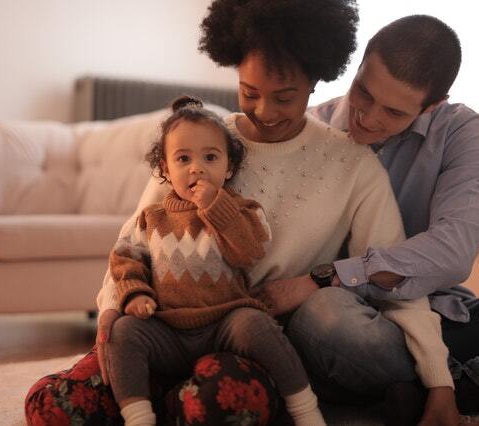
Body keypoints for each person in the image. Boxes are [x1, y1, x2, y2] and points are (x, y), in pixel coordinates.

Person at [97, 2, 462, 424]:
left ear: (316, 82)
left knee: (220, 398)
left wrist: (440, 384)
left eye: (285, 97)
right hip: (174, 326)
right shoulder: (202, 142)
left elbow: (394, 283)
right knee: (64, 402)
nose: (265, 112)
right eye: (249, 92)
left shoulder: (354, 164)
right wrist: (110, 312)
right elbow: (133, 241)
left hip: (269, 343)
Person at [246, 13, 479, 421]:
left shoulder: (458, 129)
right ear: (358, 67)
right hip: (348, 329)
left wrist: (330, 274)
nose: (367, 118)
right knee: (325, 317)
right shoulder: (308, 129)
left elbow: (456, 250)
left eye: (392, 112)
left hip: (446, 322)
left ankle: (471, 389)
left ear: (431, 106)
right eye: (363, 93)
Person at [106, 95, 326, 426]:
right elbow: (126, 258)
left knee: (256, 324)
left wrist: (214, 207)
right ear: (165, 169)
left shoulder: (242, 210)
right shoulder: (152, 218)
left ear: (229, 167)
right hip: (168, 328)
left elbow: (248, 251)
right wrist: (135, 293)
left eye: (210, 157)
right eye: (183, 159)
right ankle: (139, 417)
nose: (196, 168)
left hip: (225, 324)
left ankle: (306, 410)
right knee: (124, 331)